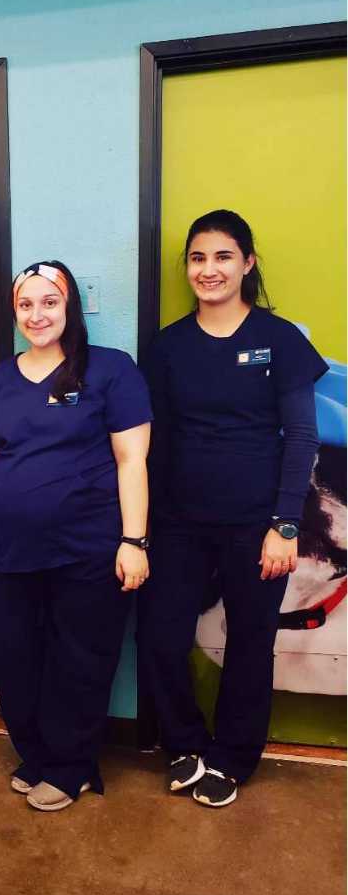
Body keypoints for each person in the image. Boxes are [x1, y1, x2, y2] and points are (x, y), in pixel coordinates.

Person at [138, 210, 327, 808]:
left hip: (258, 525)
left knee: (250, 642)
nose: (209, 269)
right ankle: (185, 744)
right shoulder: (168, 346)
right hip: (177, 524)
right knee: (161, 637)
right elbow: (153, 445)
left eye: (223, 257)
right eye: (198, 258)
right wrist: (138, 531)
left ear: (247, 263)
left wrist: (285, 526)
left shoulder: (280, 340)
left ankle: (234, 757)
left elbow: (301, 437)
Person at [0, 261, 153, 812]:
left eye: (49, 302)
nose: (37, 315)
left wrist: (135, 541)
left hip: (89, 549)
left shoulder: (110, 370)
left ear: (70, 306)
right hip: (15, 551)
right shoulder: (1, 378)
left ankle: (72, 766)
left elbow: (132, 460)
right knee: (12, 653)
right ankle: (37, 755)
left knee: (79, 658)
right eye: (26, 305)